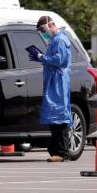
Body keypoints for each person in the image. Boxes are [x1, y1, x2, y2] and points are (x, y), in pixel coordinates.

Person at [31, 15, 72, 162]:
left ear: (51, 25)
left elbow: (59, 60)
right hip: (54, 81)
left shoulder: (60, 40)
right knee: (54, 116)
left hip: (58, 82)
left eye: (43, 29)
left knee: (59, 116)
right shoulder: (54, 40)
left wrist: (42, 57)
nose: (43, 33)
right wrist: (41, 57)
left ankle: (61, 152)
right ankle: (57, 151)